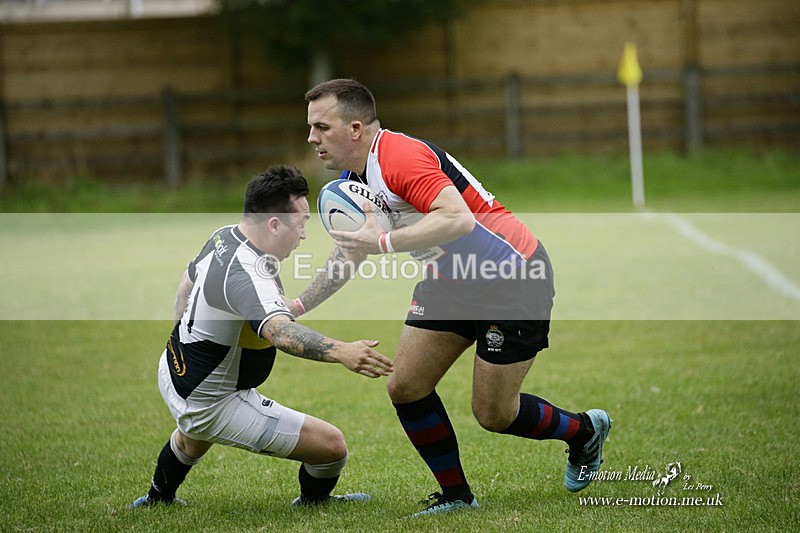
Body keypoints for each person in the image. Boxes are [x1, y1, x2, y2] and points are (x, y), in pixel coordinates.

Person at [289, 79, 611, 517]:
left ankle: (584, 431)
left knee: (494, 413)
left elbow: (457, 219)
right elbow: (351, 250)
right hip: (450, 281)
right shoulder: (355, 181)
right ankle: (457, 497)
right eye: (311, 128)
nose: (311, 138)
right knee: (405, 386)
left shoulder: (400, 156)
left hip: (511, 277)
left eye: (321, 127)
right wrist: (297, 307)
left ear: (356, 128)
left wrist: (384, 241)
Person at [130, 165, 394, 509]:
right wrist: (342, 350)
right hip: (213, 400)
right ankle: (314, 503)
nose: (303, 234)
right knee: (331, 447)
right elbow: (280, 331)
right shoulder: (248, 274)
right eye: (300, 223)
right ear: (274, 224)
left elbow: (187, 285)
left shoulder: (225, 236)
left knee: (193, 436)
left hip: (173, 370)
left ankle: (157, 499)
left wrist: (182, 342)